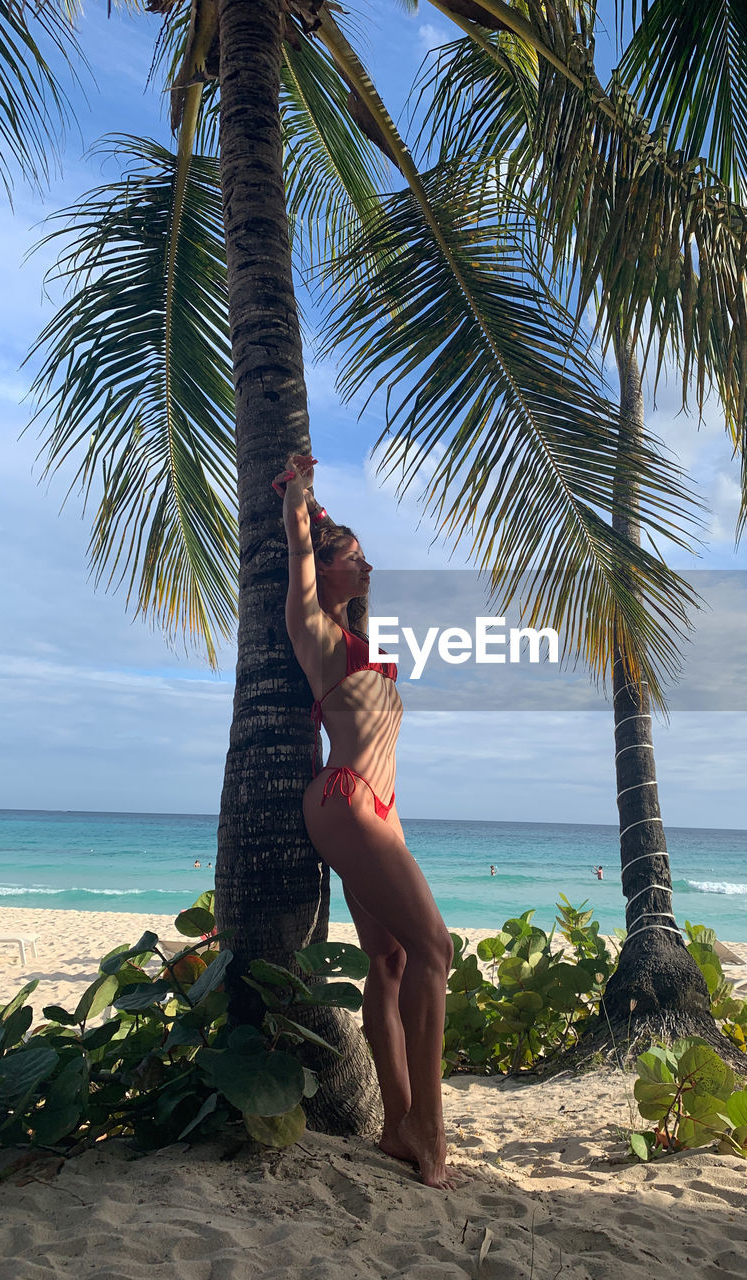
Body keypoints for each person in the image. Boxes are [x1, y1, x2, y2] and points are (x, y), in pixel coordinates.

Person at [275, 454, 456, 1190]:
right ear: (328, 568)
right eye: (355, 558)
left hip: (379, 809)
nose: (369, 566)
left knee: (394, 962)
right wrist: (301, 501)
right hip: (344, 796)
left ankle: (395, 1126)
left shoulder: (367, 647)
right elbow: (296, 554)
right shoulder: (314, 630)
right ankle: (431, 1129)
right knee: (436, 948)